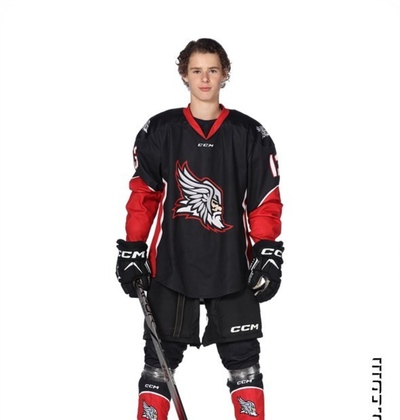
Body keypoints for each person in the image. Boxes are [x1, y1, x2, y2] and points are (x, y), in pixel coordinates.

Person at [115, 38, 284, 420]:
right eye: (196, 71)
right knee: (158, 364)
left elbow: (264, 201)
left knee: (244, 362)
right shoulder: (161, 130)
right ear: (184, 76)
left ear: (225, 74)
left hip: (233, 267)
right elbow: (144, 195)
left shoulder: (248, 133)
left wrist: (267, 249)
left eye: (212, 70)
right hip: (172, 266)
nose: (204, 79)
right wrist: (133, 247)